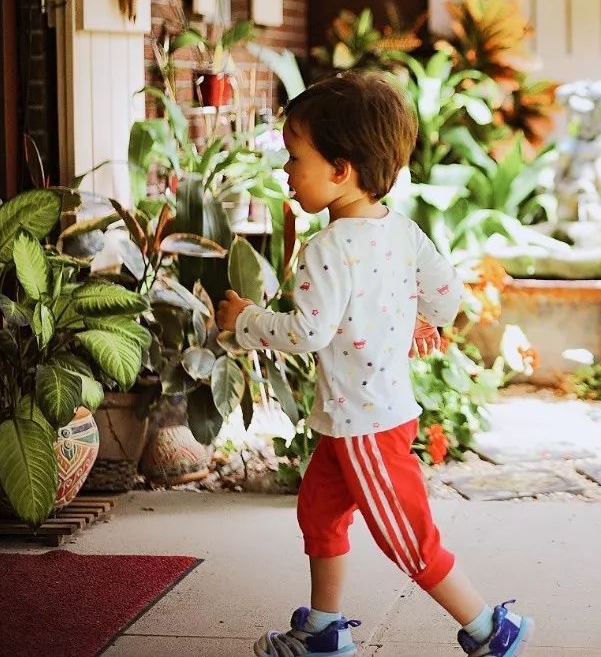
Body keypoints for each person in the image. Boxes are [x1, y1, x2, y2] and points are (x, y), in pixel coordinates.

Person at [216, 72, 533, 657]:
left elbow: (308, 332)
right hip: (351, 422)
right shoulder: (400, 231)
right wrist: (418, 319)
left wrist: (245, 321)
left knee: (407, 540)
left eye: (294, 158)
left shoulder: (328, 248)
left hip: (367, 427)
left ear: (341, 170)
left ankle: (490, 627)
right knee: (319, 511)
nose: (286, 171)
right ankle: (324, 630)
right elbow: (445, 298)